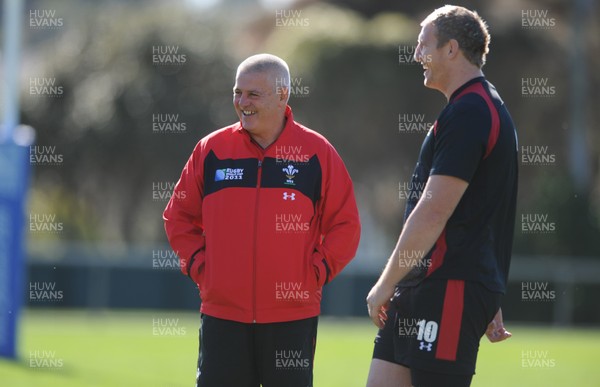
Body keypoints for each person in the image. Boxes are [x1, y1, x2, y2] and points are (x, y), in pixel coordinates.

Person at [163, 53, 360, 387]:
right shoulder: (211, 149)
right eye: (238, 93)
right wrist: (200, 266)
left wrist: (316, 272)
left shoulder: (317, 152)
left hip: (291, 318)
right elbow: (177, 217)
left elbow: (346, 225)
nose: (242, 102)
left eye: (253, 94)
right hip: (222, 315)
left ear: (283, 95)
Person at [366, 5, 518, 387]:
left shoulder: (471, 110)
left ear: (451, 49)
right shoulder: (470, 107)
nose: (417, 55)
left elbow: (434, 211)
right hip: (426, 287)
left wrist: (385, 283)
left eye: (423, 45)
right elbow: (481, 210)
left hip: (449, 289)